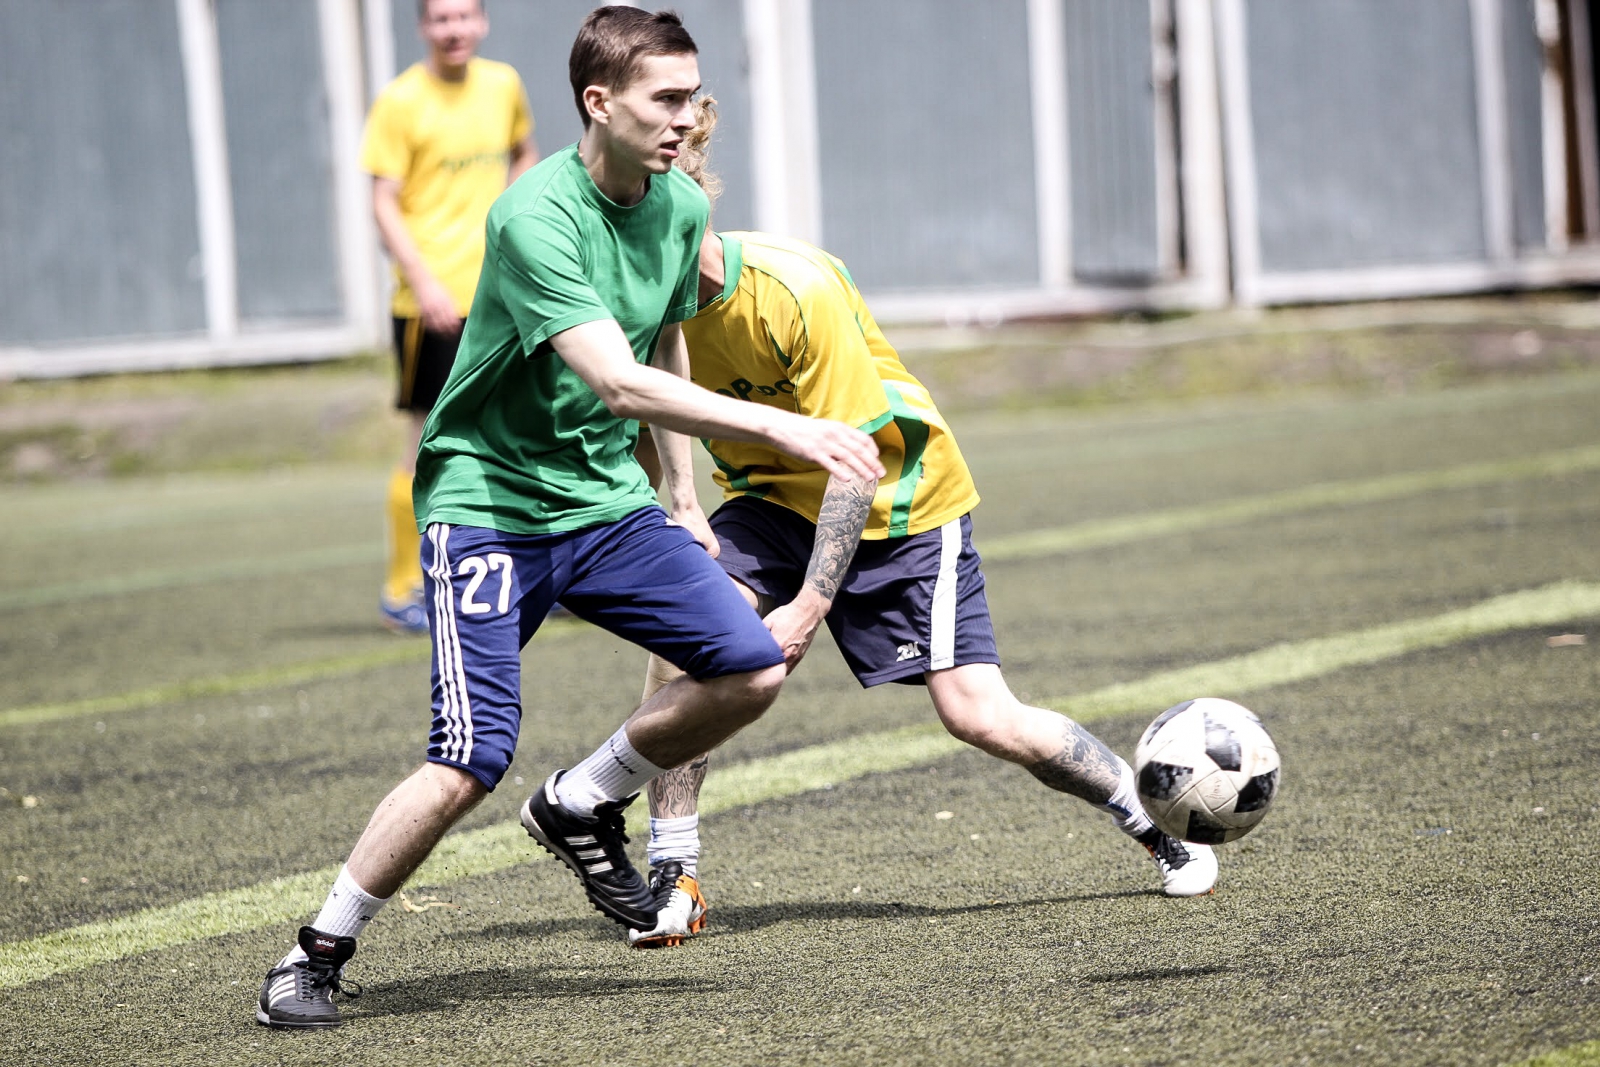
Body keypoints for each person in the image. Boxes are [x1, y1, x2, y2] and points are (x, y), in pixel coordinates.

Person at [256, 7, 883, 1029]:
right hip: (488, 505)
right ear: (600, 103)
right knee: (467, 757)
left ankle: (582, 798)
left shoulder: (678, 204)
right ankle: (314, 951)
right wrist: (790, 431)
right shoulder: (534, 215)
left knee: (752, 666)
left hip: (604, 501)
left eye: (692, 94)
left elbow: (665, 339)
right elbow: (618, 379)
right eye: (666, 99)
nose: (690, 117)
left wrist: (682, 497)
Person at [620, 120, 1219, 949]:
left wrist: (805, 606)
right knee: (690, 630)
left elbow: (856, 463)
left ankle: (1154, 823)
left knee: (978, 714)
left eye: (637, 216)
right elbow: (648, 424)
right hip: (766, 498)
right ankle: (673, 872)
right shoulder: (635, 310)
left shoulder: (794, 288)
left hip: (899, 499)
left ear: (687, 204)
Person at [361, 0, 538, 634]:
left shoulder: (504, 84)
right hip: (428, 305)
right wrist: (425, 281)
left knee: (511, 433)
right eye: (441, 19)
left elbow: (524, 155)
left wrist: (516, 236)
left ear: (483, 21)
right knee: (425, 443)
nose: (454, 29)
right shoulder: (401, 102)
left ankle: (533, 569)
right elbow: (383, 202)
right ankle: (403, 585)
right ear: (422, 27)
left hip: (498, 297)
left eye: (464, 16)